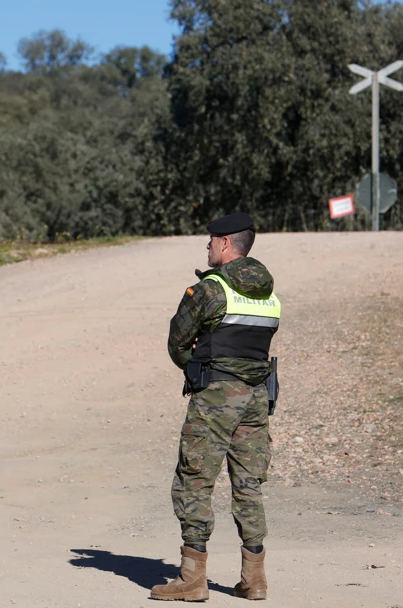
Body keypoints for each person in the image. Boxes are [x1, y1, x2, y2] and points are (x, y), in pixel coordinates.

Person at [151, 212, 280, 602]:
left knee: (195, 480)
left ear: (226, 243)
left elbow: (177, 342)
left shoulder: (210, 289)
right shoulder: (269, 295)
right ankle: (254, 579)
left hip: (215, 398)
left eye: (210, 240)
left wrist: (194, 364)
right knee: (248, 484)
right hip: (257, 397)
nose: (206, 246)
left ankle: (192, 579)